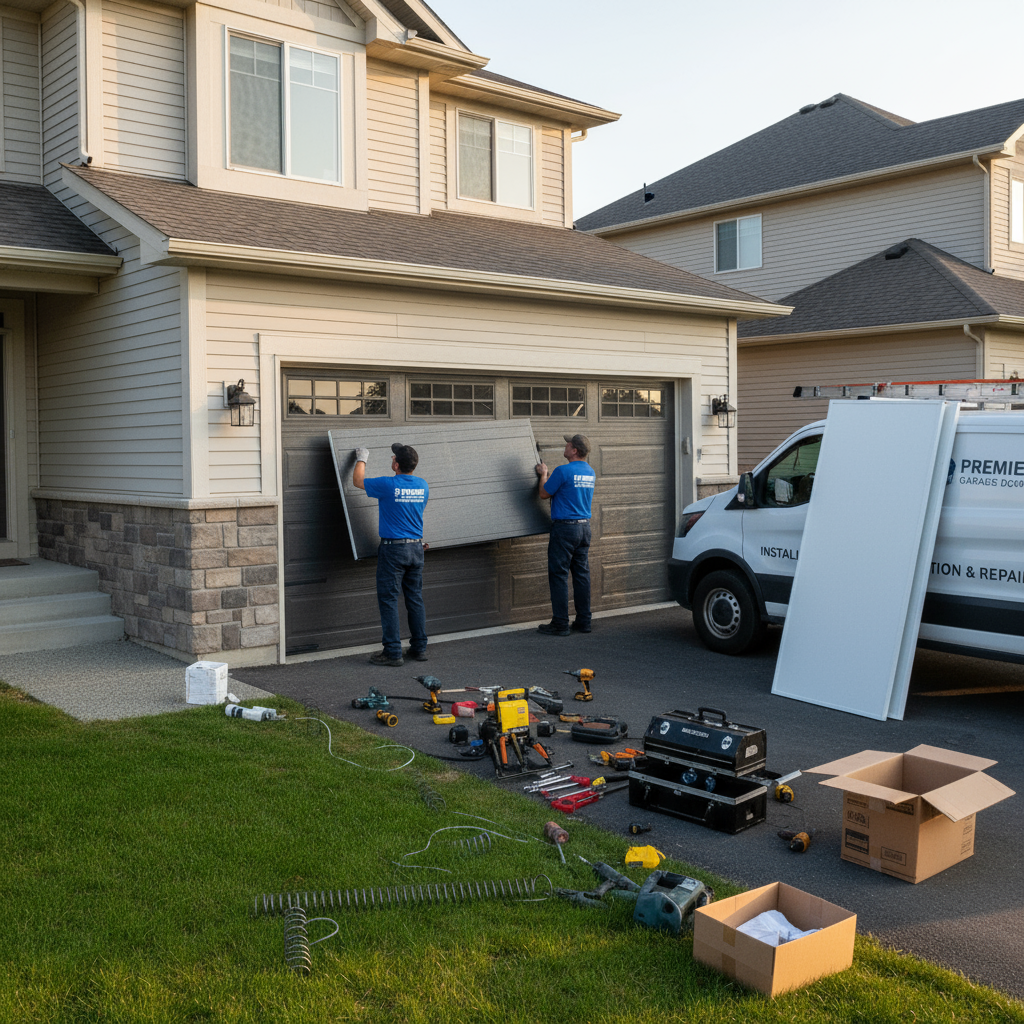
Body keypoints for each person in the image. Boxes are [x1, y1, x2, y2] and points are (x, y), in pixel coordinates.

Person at [353, 442, 429, 666]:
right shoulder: (422, 485)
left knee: (388, 599)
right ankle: (419, 648)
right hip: (416, 548)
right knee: (415, 599)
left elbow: (357, 481)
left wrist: (362, 458)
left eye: (393, 458)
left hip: (394, 549)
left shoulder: (388, 485)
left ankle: (393, 652)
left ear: (396, 464)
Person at [535, 433, 595, 636]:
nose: (565, 447)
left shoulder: (562, 471)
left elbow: (544, 493)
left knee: (559, 575)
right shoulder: (590, 471)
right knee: (581, 575)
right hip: (584, 528)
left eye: (568, 444)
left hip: (565, 529)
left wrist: (544, 474)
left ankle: (560, 623)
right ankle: (584, 621)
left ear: (574, 450)